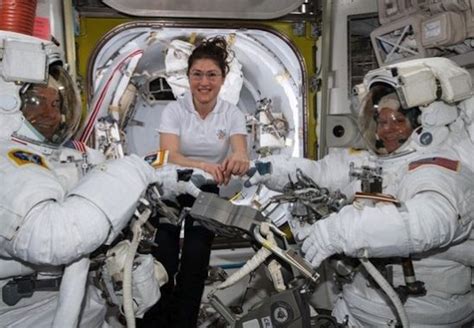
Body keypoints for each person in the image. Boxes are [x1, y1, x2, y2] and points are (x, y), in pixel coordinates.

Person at [246, 57, 474, 327]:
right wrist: (263, 169)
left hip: (416, 316)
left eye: (397, 121)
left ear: (427, 122)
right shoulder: (374, 161)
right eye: (380, 121)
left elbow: (431, 220)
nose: (385, 130)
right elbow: (320, 174)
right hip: (358, 308)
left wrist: (338, 232)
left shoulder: (442, 168)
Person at [0, 30, 200, 327]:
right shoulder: (6, 159)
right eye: (34, 101)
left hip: (83, 306)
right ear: (7, 104)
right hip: (28, 315)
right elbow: (56, 237)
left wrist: (176, 177)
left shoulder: (66, 156)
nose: (49, 113)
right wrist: (136, 169)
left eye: (56, 104)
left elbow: (108, 173)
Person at [139, 36, 249, 328]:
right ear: (188, 77)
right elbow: (170, 154)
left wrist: (238, 160)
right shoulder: (174, 111)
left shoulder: (232, 113)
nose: (204, 82)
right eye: (197, 74)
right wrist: (204, 164)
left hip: (207, 188)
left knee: (196, 257)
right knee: (163, 255)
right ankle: (156, 321)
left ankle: (184, 322)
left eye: (211, 74)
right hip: (173, 185)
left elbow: (240, 150)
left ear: (222, 79)